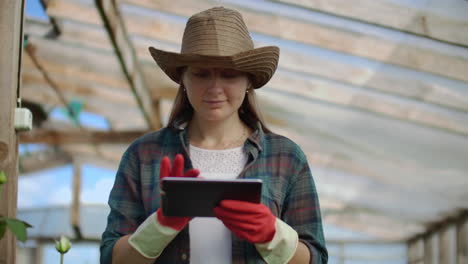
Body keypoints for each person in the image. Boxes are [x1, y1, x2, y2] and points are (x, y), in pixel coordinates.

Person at [100, 6, 327, 264]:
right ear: (182, 79)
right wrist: (159, 226)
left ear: (248, 81)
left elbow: (316, 259)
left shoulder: (286, 157)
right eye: (201, 73)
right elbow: (111, 258)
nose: (215, 88)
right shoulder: (143, 154)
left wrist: (273, 236)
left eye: (229, 74)